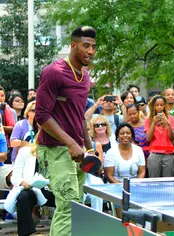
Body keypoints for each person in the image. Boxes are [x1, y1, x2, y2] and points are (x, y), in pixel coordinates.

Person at [35, 26, 97, 236]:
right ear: (73, 46)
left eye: (94, 47)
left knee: (72, 209)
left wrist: (90, 147)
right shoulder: (54, 72)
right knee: (68, 207)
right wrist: (71, 143)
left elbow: (79, 115)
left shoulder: (85, 76)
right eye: (86, 46)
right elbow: (41, 115)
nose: (91, 51)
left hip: (77, 152)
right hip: (55, 150)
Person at [9, 144, 55, 236]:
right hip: (32, 189)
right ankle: (26, 233)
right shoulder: (25, 152)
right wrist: (22, 181)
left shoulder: (59, 151)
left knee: (67, 199)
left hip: (53, 188)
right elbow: (14, 178)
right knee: (24, 197)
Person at [145, 95, 174, 177]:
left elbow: (172, 138)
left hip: (169, 154)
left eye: (161, 105)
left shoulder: (172, 118)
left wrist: (168, 123)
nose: (159, 107)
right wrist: (153, 123)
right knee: (154, 182)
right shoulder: (148, 119)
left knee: (168, 182)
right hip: (154, 154)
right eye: (156, 105)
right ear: (153, 106)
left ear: (165, 106)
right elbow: (148, 138)